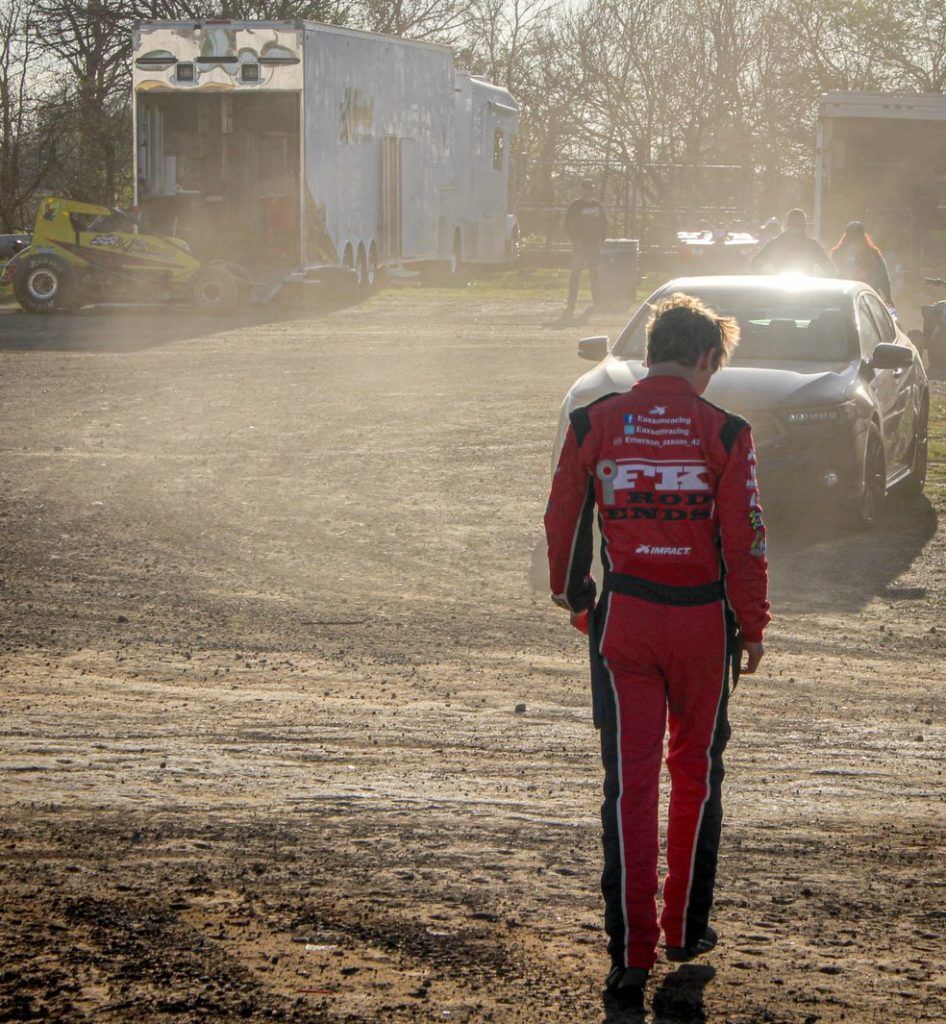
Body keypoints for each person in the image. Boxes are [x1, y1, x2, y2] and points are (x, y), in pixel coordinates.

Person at [544, 294, 770, 1013]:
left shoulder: (593, 420)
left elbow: (562, 519)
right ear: (706, 359)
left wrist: (577, 597)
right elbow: (747, 540)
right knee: (695, 775)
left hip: (628, 620)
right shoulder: (727, 430)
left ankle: (630, 954)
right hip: (705, 624)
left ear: (650, 350)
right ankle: (682, 930)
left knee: (630, 784)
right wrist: (753, 623)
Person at [563, 179, 608, 318]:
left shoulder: (597, 206)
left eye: (590, 189)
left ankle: (597, 302)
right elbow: (567, 224)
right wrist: (574, 240)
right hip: (580, 245)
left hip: (594, 245)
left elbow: (604, 223)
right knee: (576, 274)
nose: (588, 192)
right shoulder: (576, 206)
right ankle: (571, 303)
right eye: (586, 189)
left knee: (594, 274)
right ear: (581, 190)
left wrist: (601, 240)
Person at [750, 208, 833, 276]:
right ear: (804, 224)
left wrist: (768, 283)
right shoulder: (812, 246)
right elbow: (830, 270)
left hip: (777, 292)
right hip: (806, 293)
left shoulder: (775, 244)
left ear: (787, 224)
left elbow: (754, 265)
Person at [830, 221, 893, 304]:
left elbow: (830, 276)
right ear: (863, 236)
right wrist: (888, 297)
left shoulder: (837, 254)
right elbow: (882, 277)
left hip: (845, 298)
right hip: (867, 298)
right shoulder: (873, 254)